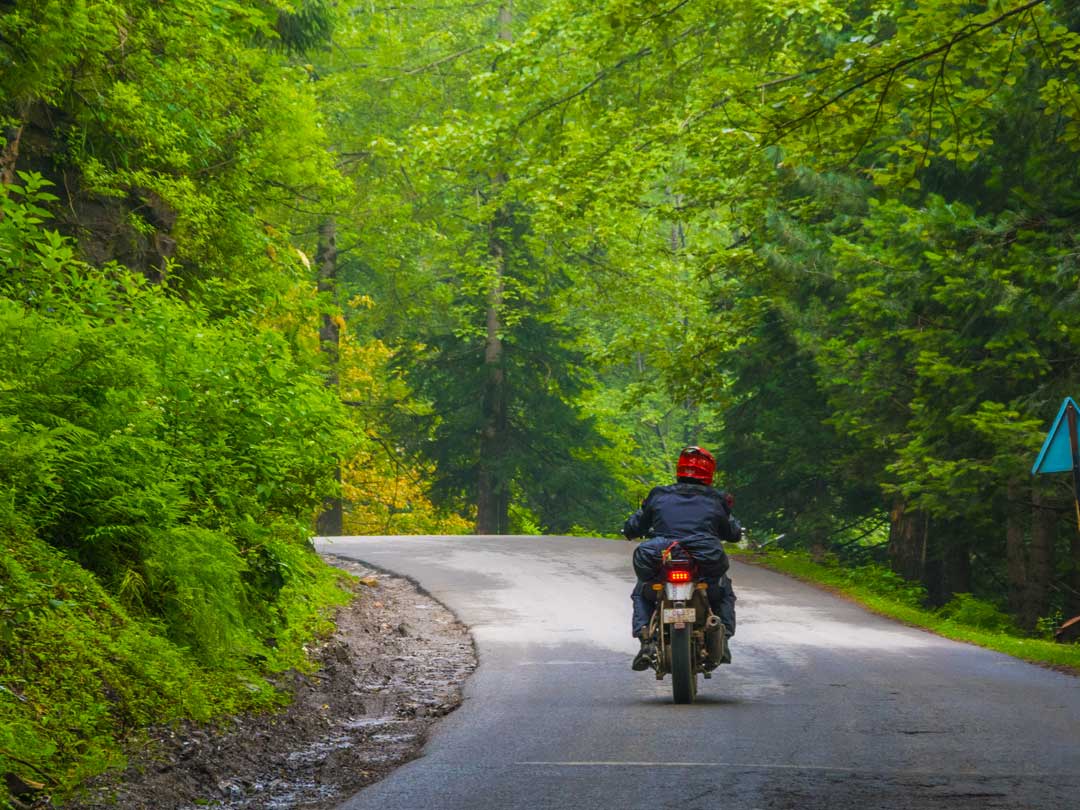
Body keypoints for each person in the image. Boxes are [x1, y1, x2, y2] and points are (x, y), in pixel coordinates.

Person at [623, 446, 740, 671]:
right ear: (709, 472)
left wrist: (629, 529)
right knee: (723, 591)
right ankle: (723, 640)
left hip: (662, 555)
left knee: (642, 591)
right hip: (705, 560)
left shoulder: (659, 494)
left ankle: (645, 642)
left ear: (680, 469)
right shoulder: (717, 499)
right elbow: (732, 532)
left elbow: (636, 524)